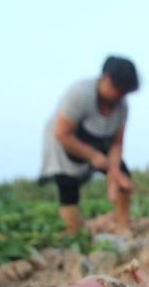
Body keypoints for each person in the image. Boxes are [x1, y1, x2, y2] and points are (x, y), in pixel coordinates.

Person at [39, 56, 139, 236]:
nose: (120, 96)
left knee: (123, 176)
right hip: (65, 141)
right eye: (118, 89)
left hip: (97, 139)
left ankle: (123, 227)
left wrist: (114, 172)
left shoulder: (121, 106)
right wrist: (93, 156)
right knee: (67, 187)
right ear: (106, 79)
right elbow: (62, 133)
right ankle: (74, 234)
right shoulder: (80, 94)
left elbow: (117, 142)